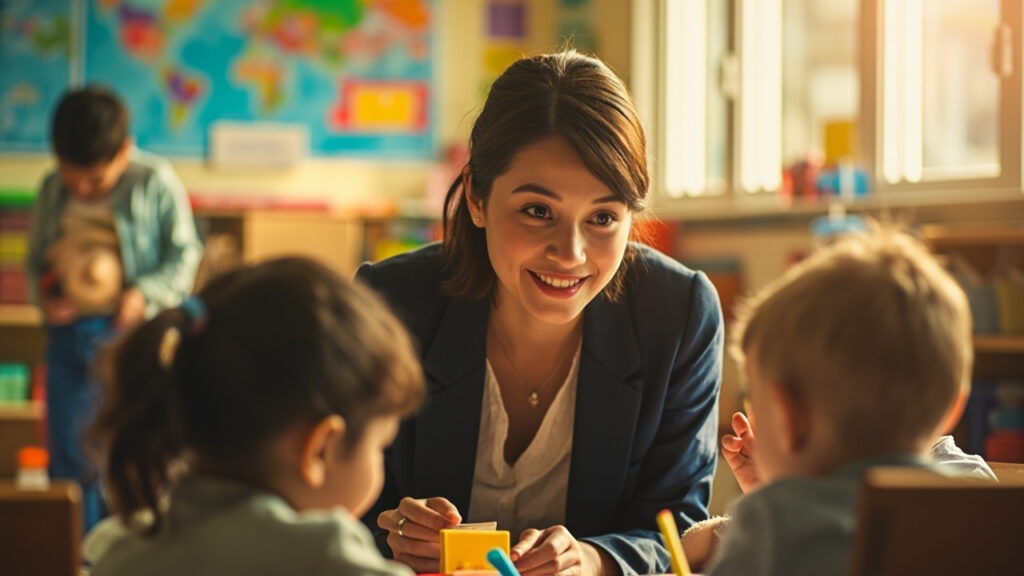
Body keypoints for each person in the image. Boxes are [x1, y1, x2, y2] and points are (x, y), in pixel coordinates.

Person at [356, 50, 724, 576]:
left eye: (602, 216)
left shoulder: (679, 314)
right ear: (477, 198)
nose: (570, 253)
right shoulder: (389, 305)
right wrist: (390, 535)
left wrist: (594, 560)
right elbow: (325, 503)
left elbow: (679, 525)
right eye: (537, 211)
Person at [84, 258, 425, 576]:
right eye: (380, 447)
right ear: (320, 448)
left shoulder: (114, 551)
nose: (380, 464)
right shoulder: (329, 558)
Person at [687, 228, 976, 576]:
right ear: (953, 409)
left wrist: (777, 497)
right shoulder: (981, 504)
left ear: (787, 418)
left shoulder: (774, 524)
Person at [25, 85, 202, 530]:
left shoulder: (154, 181)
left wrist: (143, 294)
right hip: (68, 337)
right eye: (72, 177)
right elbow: (35, 260)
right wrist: (47, 297)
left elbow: (184, 253)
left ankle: (130, 545)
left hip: (130, 336)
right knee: (69, 451)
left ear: (124, 151)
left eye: (95, 181)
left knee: (129, 446)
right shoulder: (51, 188)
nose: (82, 189)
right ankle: (79, 549)